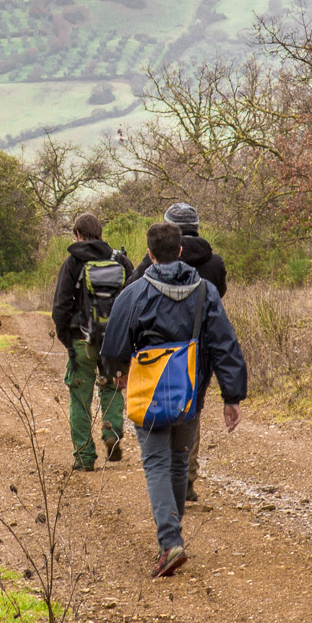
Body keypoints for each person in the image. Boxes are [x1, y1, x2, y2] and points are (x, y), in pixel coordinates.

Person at [101, 221, 247, 578]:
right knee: (180, 461)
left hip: (148, 391)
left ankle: (170, 542)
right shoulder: (206, 291)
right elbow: (224, 344)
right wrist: (232, 396)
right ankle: (173, 533)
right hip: (190, 390)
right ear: (180, 251)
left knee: (155, 463)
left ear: (150, 254)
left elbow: (114, 346)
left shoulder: (134, 293)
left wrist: (119, 371)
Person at [130, 202, 227, 499]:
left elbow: (132, 292)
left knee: (164, 403)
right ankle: (186, 476)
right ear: (198, 226)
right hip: (202, 348)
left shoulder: (155, 260)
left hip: (163, 350)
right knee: (192, 407)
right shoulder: (215, 263)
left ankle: (170, 472)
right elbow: (219, 294)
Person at [50, 212, 131, 470]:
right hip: (115, 342)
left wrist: (67, 340)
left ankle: (84, 458)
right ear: (100, 233)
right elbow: (133, 301)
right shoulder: (120, 261)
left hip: (80, 341)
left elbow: (60, 308)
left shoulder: (73, 262)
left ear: (78, 234)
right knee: (112, 388)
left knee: (80, 399)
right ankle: (112, 434)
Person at [131, 202, 227, 296]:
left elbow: (131, 289)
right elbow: (219, 293)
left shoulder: (156, 258)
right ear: (196, 227)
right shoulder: (216, 263)